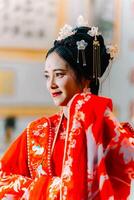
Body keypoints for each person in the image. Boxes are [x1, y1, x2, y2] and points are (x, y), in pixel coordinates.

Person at [0, 16, 134, 200]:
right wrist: (55, 189)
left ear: (86, 77)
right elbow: (2, 179)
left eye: (59, 74)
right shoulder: (38, 132)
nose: (51, 84)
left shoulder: (114, 135)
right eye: (47, 76)